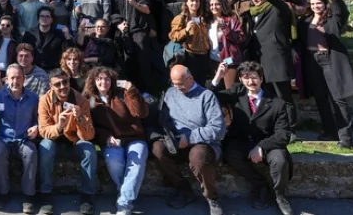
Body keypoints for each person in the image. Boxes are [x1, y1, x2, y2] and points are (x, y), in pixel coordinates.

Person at [210, 61, 293, 215]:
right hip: (240, 141)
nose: (251, 82)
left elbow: (283, 135)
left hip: (268, 143)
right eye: (246, 78)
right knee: (231, 155)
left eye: (254, 77)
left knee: (280, 160)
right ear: (240, 79)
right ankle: (261, 186)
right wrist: (217, 78)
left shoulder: (277, 103)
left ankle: (280, 195)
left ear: (261, 78)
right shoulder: (237, 92)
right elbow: (209, 97)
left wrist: (261, 147)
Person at [150, 65, 226, 215]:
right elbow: (164, 118)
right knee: (157, 149)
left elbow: (218, 128)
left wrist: (191, 137)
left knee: (198, 156)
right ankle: (183, 189)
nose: (177, 88)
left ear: (190, 78)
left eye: (180, 83)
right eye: (174, 83)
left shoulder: (206, 96)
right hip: (175, 140)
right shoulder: (170, 93)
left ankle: (211, 197)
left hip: (202, 142)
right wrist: (169, 135)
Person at [297, 0, 353, 149]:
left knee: (338, 99)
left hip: (330, 60)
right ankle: (329, 131)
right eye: (312, 4)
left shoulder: (333, 19)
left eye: (318, 3)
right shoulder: (304, 21)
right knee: (321, 99)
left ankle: (346, 138)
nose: (315, 6)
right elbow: (300, 41)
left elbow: (341, 11)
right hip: (313, 61)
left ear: (324, 4)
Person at [83, 67, 149, 215]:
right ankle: (125, 192)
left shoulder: (122, 94)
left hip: (134, 138)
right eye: (99, 79)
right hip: (111, 141)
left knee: (136, 162)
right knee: (113, 161)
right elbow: (91, 127)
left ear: (112, 81)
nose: (103, 82)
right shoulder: (91, 100)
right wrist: (105, 137)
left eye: (106, 79)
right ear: (94, 81)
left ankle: (124, 203)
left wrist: (132, 90)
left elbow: (141, 113)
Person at [37, 68, 97, 215]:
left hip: (74, 141)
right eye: (57, 84)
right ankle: (45, 193)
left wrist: (80, 118)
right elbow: (43, 130)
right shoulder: (45, 100)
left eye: (65, 82)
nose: (62, 87)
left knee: (89, 150)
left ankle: (87, 195)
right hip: (54, 140)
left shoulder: (80, 100)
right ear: (51, 86)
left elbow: (89, 135)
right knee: (45, 147)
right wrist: (59, 126)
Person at [242, 0, 297, 130]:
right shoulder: (252, 13)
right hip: (260, 62)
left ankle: (290, 128)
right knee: (268, 97)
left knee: (283, 96)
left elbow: (281, 5)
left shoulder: (275, 9)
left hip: (276, 61)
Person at [0, 64, 39, 214]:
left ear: (24, 79)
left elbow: (37, 119)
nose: (15, 81)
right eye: (12, 78)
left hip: (24, 138)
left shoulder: (33, 98)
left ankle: (28, 195)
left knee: (31, 153)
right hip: (4, 138)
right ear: (6, 79)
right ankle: (4, 192)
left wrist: (35, 128)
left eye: (18, 77)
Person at [168, 0, 211, 86]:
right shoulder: (181, 18)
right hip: (190, 55)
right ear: (186, 3)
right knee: (190, 84)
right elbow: (173, 36)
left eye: (197, 1)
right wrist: (186, 30)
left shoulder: (202, 18)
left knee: (202, 83)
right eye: (192, 1)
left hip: (204, 55)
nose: (195, 3)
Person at [206, 0, 245, 89]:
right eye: (211, 4)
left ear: (222, 5)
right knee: (217, 90)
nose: (214, 7)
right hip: (213, 61)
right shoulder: (208, 22)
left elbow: (240, 37)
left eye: (217, 4)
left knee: (230, 90)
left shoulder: (231, 20)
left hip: (229, 61)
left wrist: (225, 28)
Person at [22, 7, 75, 71]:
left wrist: (67, 36)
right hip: (34, 69)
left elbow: (68, 51)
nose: (44, 19)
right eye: (42, 16)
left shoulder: (59, 34)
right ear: (38, 19)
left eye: (47, 16)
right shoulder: (29, 33)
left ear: (52, 19)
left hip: (53, 69)